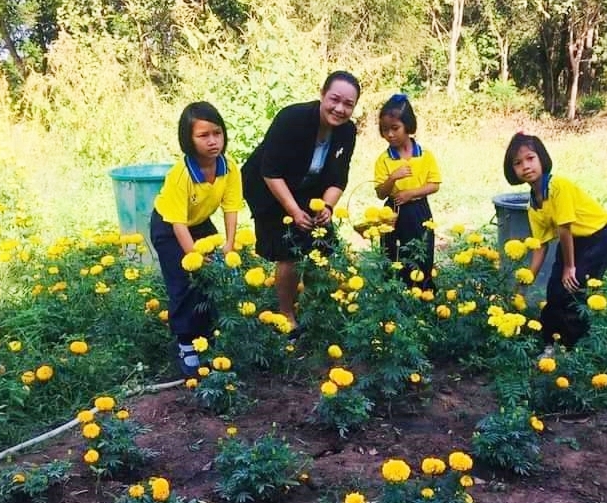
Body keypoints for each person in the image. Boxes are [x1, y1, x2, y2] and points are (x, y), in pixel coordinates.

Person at [241, 71, 361, 334]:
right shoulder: (292, 118)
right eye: (334, 99)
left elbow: (339, 177)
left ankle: (315, 305)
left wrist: (327, 207)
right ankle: (286, 315)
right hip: (269, 186)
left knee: (323, 244)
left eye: (348, 104)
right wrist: (294, 210)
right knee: (290, 249)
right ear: (322, 95)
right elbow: (270, 170)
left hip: (308, 186)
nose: (340, 109)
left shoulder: (348, 132)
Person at [150, 101, 242, 377]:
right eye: (203, 136)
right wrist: (194, 256)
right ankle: (186, 343)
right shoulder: (181, 174)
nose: (213, 141)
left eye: (217, 133)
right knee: (183, 284)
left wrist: (228, 244)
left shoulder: (229, 167)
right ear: (188, 140)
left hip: (201, 223)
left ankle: (208, 334)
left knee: (215, 278)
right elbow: (178, 222)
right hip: (169, 228)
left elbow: (231, 207)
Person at [503, 133, 607, 352]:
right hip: (572, 242)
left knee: (574, 289)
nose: (525, 166)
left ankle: (572, 348)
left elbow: (565, 228)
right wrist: (526, 280)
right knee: (554, 290)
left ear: (541, 159)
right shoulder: (533, 204)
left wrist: (569, 267)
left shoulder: (558, 186)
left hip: (596, 236)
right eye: (518, 163)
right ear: (513, 171)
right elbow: (540, 246)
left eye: (530, 158)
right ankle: (550, 344)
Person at [373, 94, 441, 290]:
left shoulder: (425, 155)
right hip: (393, 211)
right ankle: (393, 290)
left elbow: (434, 184)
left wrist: (411, 193)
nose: (390, 134)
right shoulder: (384, 159)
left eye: (395, 128)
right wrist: (393, 178)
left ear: (408, 126)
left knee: (422, 250)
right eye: (385, 130)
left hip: (419, 210)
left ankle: (423, 290)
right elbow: (380, 193)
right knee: (391, 251)